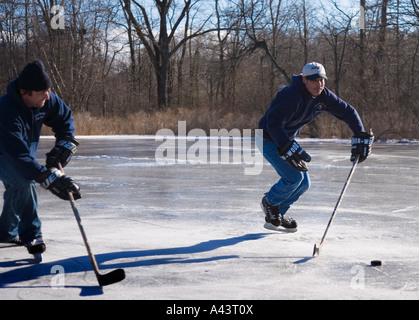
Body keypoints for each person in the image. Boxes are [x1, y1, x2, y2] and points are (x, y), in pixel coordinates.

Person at [257, 62, 373, 232]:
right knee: (293, 179)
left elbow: (348, 111)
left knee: (304, 184)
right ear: (304, 80)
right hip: (267, 138)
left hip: (285, 139)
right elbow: (272, 123)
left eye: (321, 80)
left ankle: (275, 216)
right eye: (314, 80)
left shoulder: (323, 96)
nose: (319, 84)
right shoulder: (290, 95)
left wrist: (359, 133)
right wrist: (286, 145)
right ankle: (269, 202)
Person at [0, 60, 81, 260]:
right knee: (23, 180)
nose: (48, 95)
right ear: (24, 92)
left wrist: (64, 144)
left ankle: (6, 232)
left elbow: (64, 119)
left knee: (18, 186)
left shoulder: (46, 99)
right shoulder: (6, 110)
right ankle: (32, 234)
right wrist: (48, 177)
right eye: (42, 91)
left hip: (20, 153)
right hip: (5, 153)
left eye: (48, 89)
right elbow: (18, 156)